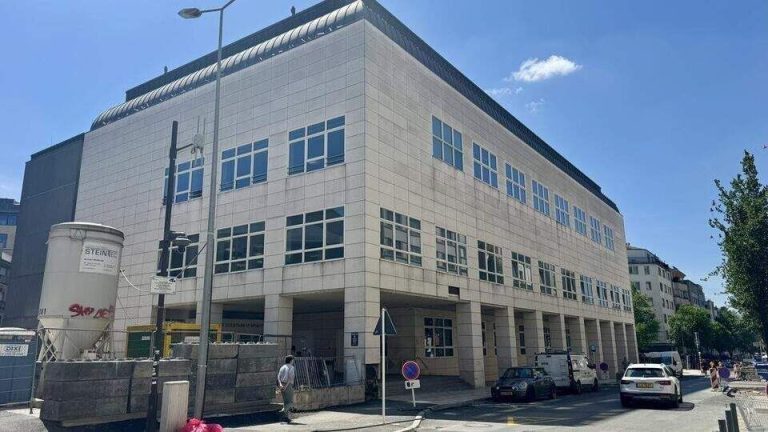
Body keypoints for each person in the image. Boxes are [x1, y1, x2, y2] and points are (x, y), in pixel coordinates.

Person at [277, 355, 296, 423]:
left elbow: (278, 376)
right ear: (291, 360)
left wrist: (280, 384)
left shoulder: (282, 367)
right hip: (288, 385)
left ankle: (286, 417)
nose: (293, 361)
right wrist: (285, 386)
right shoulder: (291, 367)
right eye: (293, 360)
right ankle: (283, 411)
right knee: (290, 402)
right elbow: (290, 378)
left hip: (281, 384)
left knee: (285, 402)